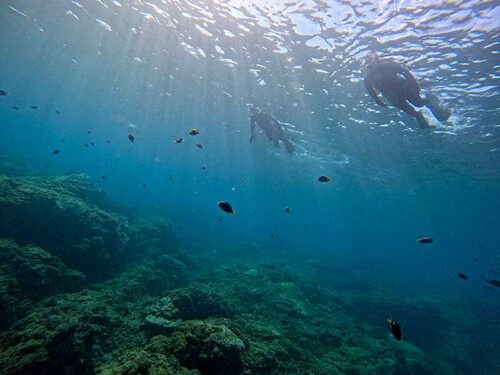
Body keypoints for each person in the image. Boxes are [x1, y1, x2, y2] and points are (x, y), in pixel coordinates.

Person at [363, 52, 451, 129]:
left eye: (372, 64)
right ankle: (423, 120)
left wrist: (415, 85)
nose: (372, 69)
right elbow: (371, 91)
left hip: (402, 89)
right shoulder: (368, 77)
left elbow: (405, 72)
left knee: (419, 103)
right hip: (395, 95)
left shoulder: (387, 65)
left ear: (377, 60)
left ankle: (436, 110)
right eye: (369, 66)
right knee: (413, 109)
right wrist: (378, 101)